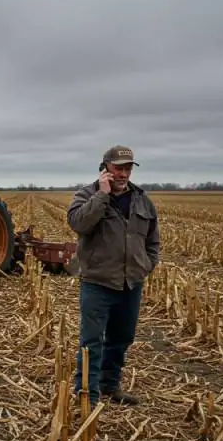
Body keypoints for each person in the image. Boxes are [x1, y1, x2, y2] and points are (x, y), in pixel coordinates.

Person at [66, 145, 160, 406]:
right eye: (118, 168)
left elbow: (152, 240)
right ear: (105, 167)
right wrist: (102, 195)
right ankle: (87, 395)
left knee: (121, 338)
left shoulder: (142, 200)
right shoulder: (87, 195)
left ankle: (110, 385)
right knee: (91, 342)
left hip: (131, 283)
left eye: (128, 168)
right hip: (97, 282)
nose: (123, 173)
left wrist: (147, 264)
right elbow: (78, 223)